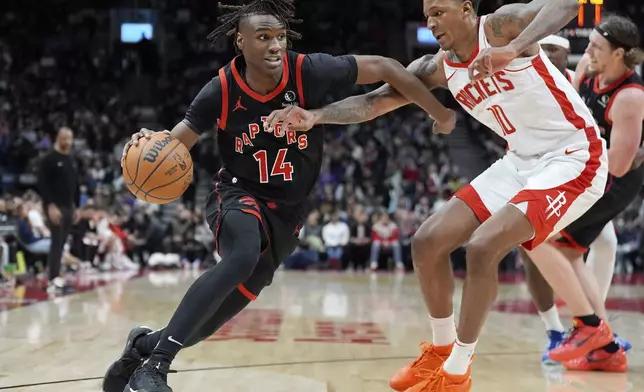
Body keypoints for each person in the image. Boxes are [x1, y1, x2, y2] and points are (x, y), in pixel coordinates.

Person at [101, 1, 455, 391]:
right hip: (237, 194)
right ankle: (155, 369)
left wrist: (438, 112)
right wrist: (149, 143)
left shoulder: (307, 71)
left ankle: (144, 345)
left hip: (287, 215)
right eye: (263, 37)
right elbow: (174, 144)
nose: (274, 45)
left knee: (207, 322)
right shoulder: (221, 89)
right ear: (241, 42)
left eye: (280, 37)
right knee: (242, 253)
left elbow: (387, 68)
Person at [267, 0, 615, 390]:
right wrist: (315, 116)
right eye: (427, 15)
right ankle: (440, 349)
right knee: (428, 241)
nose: (431, 22)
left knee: (483, 246)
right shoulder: (436, 68)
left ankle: (457, 371)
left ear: (467, 10)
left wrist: (514, 49)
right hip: (520, 160)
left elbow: (566, 4)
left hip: (575, 155)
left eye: (439, 12)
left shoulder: (500, 28)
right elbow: (373, 102)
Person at [524, 14, 644, 372]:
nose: (587, 50)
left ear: (620, 54)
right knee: (571, 254)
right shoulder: (587, 71)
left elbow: (620, 165)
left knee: (538, 235)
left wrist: (576, 156)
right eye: (589, 43)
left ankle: (590, 328)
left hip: (613, 181)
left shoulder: (630, 96)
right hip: (588, 171)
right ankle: (605, 347)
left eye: (596, 46)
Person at [37, 127, 79, 294]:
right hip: (55, 207)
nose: (67, 142)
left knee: (62, 245)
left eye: (70, 138)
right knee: (56, 243)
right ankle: (52, 280)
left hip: (69, 207)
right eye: (64, 138)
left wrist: (76, 206)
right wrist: (50, 205)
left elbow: (75, 184)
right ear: (58, 138)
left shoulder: (71, 159)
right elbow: (42, 183)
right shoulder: (49, 159)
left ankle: (57, 277)